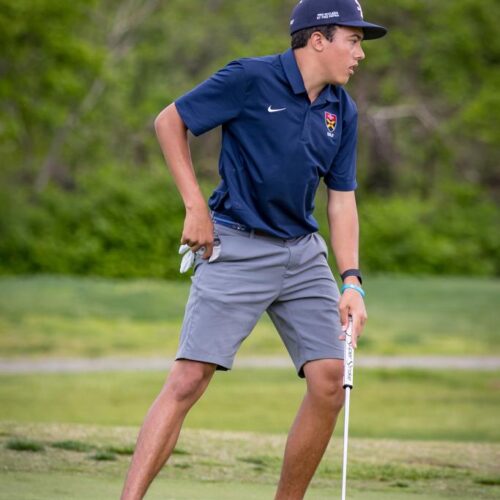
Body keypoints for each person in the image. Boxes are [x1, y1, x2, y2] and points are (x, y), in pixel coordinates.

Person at [121, 1, 387, 498]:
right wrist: (194, 206)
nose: (360, 54)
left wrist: (351, 280)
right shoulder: (250, 78)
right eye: (353, 40)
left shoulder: (341, 109)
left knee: (330, 380)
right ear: (318, 39)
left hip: (303, 252)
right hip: (237, 243)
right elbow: (168, 121)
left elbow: (342, 201)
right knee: (189, 379)